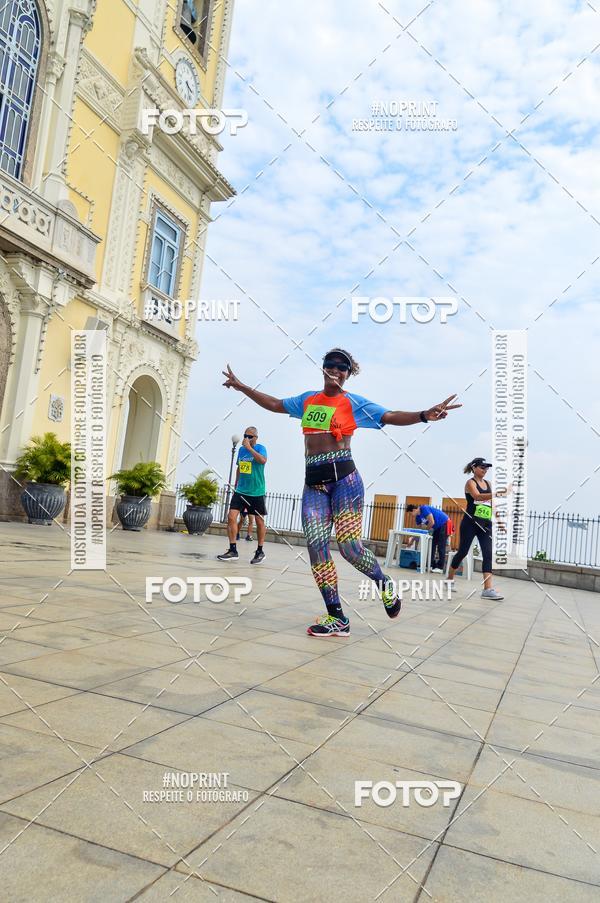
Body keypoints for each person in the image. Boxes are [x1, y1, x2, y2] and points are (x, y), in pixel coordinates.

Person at [222, 349, 460, 636]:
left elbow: (390, 415)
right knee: (316, 549)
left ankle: (383, 583)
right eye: (330, 365)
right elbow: (274, 404)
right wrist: (242, 386)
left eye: (342, 367)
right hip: (314, 486)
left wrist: (424, 415)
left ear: (348, 374)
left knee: (349, 548)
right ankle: (337, 617)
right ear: (322, 369)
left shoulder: (353, 403)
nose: (335, 370)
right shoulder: (308, 400)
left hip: (345, 482)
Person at [447, 457, 504, 600]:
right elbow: (477, 497)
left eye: (486, 468)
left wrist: (500, 521)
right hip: (470, 523)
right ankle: (449, 579)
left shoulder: (488, 484)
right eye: (482, 467)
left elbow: (492, 504)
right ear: (474, 468)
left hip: (485, 524)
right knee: (463, 552)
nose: (485, 470)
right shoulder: (470, 483)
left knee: (488, 553)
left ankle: (487, 589)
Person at [217, 427, 267, 564]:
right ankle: (233, 549)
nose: (247, 438)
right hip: (241, 491)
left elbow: (263, 461)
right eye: (245, 435)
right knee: (231, 516)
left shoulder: (261, 448)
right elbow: (240, 467)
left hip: (257, 492)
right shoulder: (241, 450)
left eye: (250, 436)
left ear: (256, 437)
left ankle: (260, 551)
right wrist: (235, 485)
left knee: (259, 521)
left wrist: (250, 449)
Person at [405, 504, 450, 573]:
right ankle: (430, 564)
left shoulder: (424, 508)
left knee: (441, 546)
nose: (411, 516)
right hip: (437, 527)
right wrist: (412, 540)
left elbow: (432, 522)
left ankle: (440, 567)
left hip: (444, 523)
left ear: (414, 510)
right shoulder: (418, 517)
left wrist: (425, 531)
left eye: (411, 514)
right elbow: (418, 529)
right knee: (432, 545)